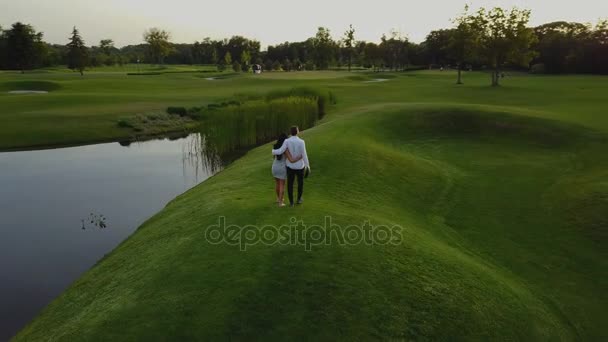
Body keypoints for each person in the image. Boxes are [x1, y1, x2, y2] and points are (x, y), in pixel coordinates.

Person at [272, 126, 310, 206]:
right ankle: (298, 199)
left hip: (289, 167)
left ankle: (291, 202)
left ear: (291, 132)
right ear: (297, 132)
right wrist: (307, 165)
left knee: (289, 184)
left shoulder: (286, 141)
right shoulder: (301, 141)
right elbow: (304, 154)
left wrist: (273, 151)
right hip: (299, 166)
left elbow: (280, 151)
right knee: (300, 183)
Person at [272, 133, 301, 207]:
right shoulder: (285, 149)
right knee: (282, 185)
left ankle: (278, 199)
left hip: (274, 166)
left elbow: (274, 157)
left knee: (277, 184)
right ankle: (280, 203)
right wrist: (300, 157)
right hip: (282, 168)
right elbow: (291, 160)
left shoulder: (275, 147)